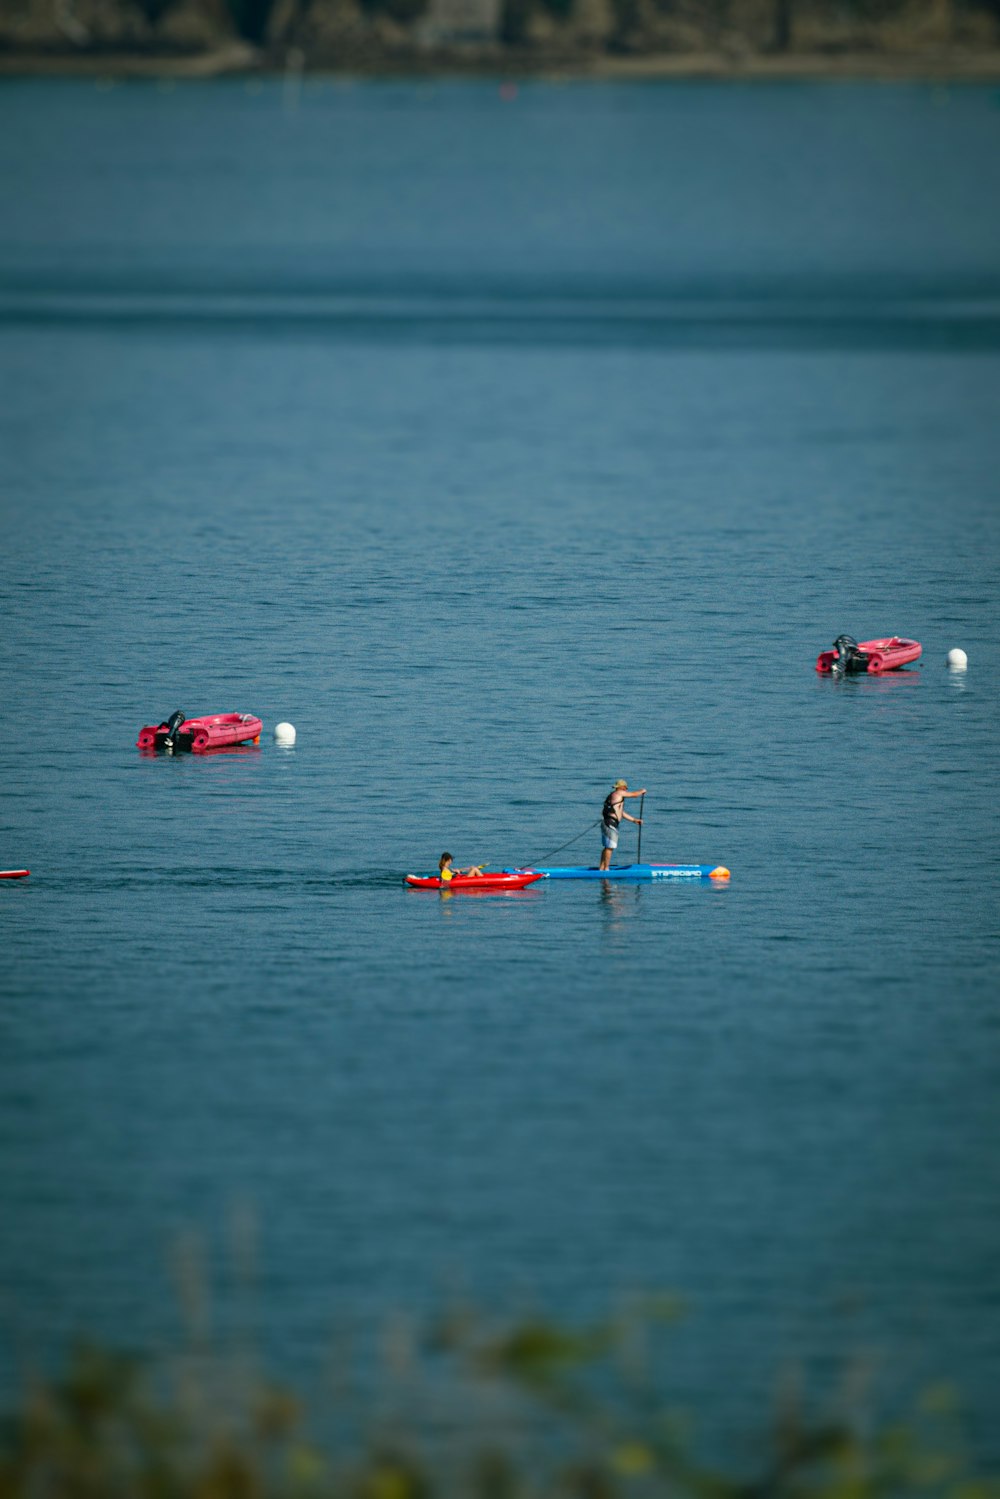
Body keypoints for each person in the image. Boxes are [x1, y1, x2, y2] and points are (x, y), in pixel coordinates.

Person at [599, 779, 646, 871]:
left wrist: (634, 820)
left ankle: (602, 868)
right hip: (610, 823)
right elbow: (634, 794)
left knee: (607, 847)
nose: (626, 790)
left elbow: (621, 813)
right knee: (610, 847)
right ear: (622, 787)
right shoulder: (619, 793)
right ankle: (606, 869)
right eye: (625, 788)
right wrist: (642, 791)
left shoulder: (614, 796)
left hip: (608, 823)